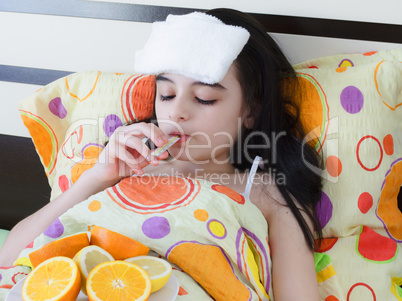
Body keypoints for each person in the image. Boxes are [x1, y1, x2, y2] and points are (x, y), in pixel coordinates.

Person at [0, 8, 323, 300]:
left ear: (251, 111)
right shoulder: (124, 166)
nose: (176, 112)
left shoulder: (268, 193)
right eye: (166, 94)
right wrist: (97, 177)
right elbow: (11, 258)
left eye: (204, 98)